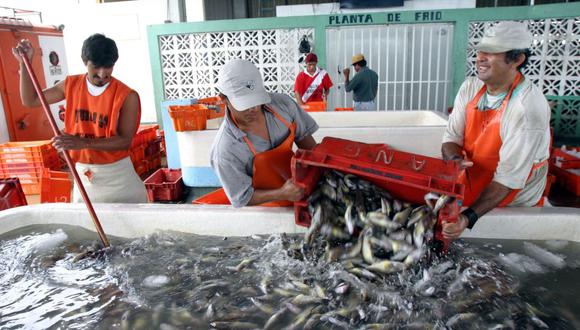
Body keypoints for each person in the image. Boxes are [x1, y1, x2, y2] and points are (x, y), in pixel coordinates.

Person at [441, 21, 551, 239]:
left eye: (492, 52)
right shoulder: (470, 88)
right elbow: (451, 138)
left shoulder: (527, 109)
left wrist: (467, 218)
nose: (480, 57)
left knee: (504, 241)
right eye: (480, 50)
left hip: (514, 192)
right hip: (478, 178)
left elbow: (509, 180)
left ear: (517, 59)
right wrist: (454, 159)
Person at [13, 34, 147, 203]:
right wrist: (24, 64)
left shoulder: (127, 95)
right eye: (96, 67)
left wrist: (83, 143)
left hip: (119, 177)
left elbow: (125, 141)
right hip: (84, 177)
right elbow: (31, 100)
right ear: (85, 62)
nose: (102, 74)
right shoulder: (71, 85)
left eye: (109, 67)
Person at [206, 59, 318, 208]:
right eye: (245, 104)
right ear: (224, 99)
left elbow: (308, 145)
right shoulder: (225, 151)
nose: (253, 109)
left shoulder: (283, 105)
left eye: (256, 101)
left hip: (300, 190)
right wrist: (281, 193)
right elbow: (242, 197)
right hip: (265, 207)